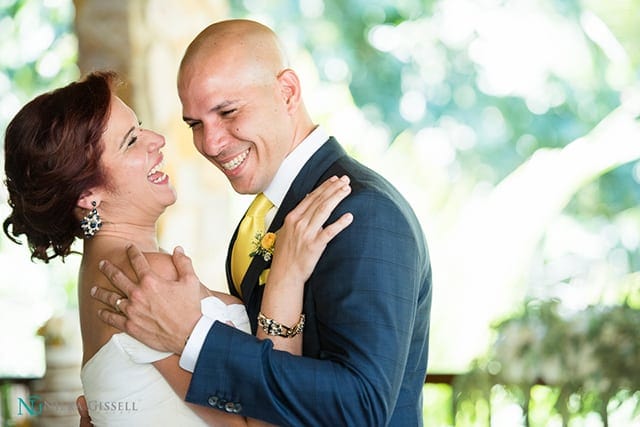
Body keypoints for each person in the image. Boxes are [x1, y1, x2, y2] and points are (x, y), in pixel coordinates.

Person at [92, 19, 432, 426]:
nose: (210, 144)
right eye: (195, 124)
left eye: (228, 112)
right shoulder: (263, 218)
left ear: (287, 92)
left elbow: (361, 408)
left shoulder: (362, 213)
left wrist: (192, 336)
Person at [3, 71, 353, 425]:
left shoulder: (99, 273)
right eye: (131, 141)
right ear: (88, 195)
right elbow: (271, 421)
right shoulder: (145, 277)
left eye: (139, 127)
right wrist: (286, 275)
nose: (156, 140)